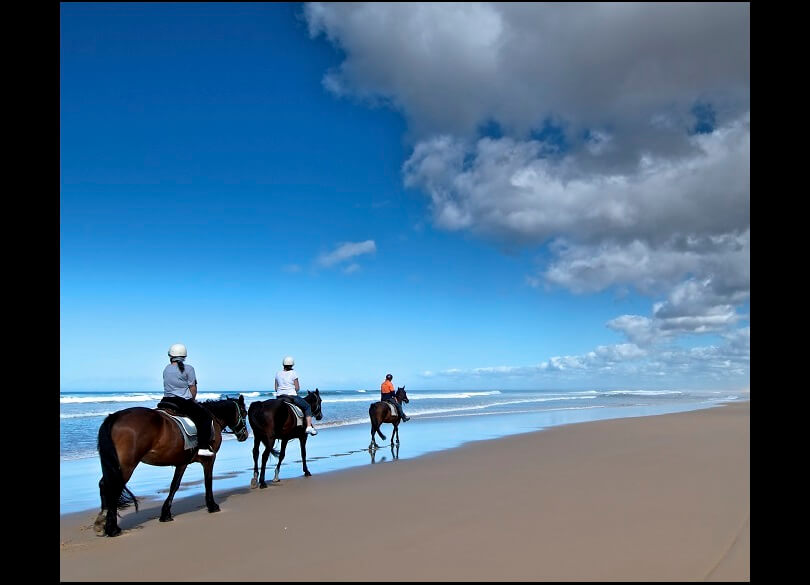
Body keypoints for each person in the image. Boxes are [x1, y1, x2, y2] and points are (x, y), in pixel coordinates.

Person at [160, 343, 216, 457]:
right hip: (182, 402)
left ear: (170, 355)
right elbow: (193, 389)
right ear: (184, 356)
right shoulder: (189, 369)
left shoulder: (166, 369)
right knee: (205, 417)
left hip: (165, 400)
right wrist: (192, 400)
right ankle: (203, 447)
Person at [275, 356, 317, 435]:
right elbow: (297, 388)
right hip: (291, 396)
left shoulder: (277, 373)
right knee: (307, 406)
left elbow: (276, 388)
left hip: (279, 397)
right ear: (292, 365)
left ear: (283, 364)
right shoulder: (294, 373)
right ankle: (308, 427)